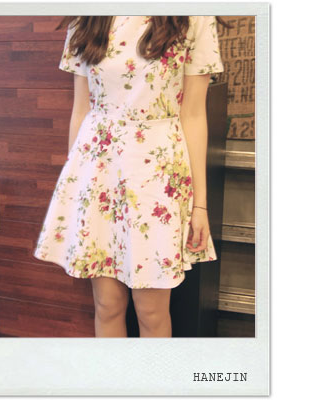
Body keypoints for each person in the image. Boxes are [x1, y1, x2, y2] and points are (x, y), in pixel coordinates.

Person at [33, 15, 225, 338]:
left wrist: (200, 206)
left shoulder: (193, 16)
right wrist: (75, 190)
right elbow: (81, 109)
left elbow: (193, 115)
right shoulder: (88, 16)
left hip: (158, 172)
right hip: (98, 170)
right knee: (106, 305)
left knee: (151, 311)